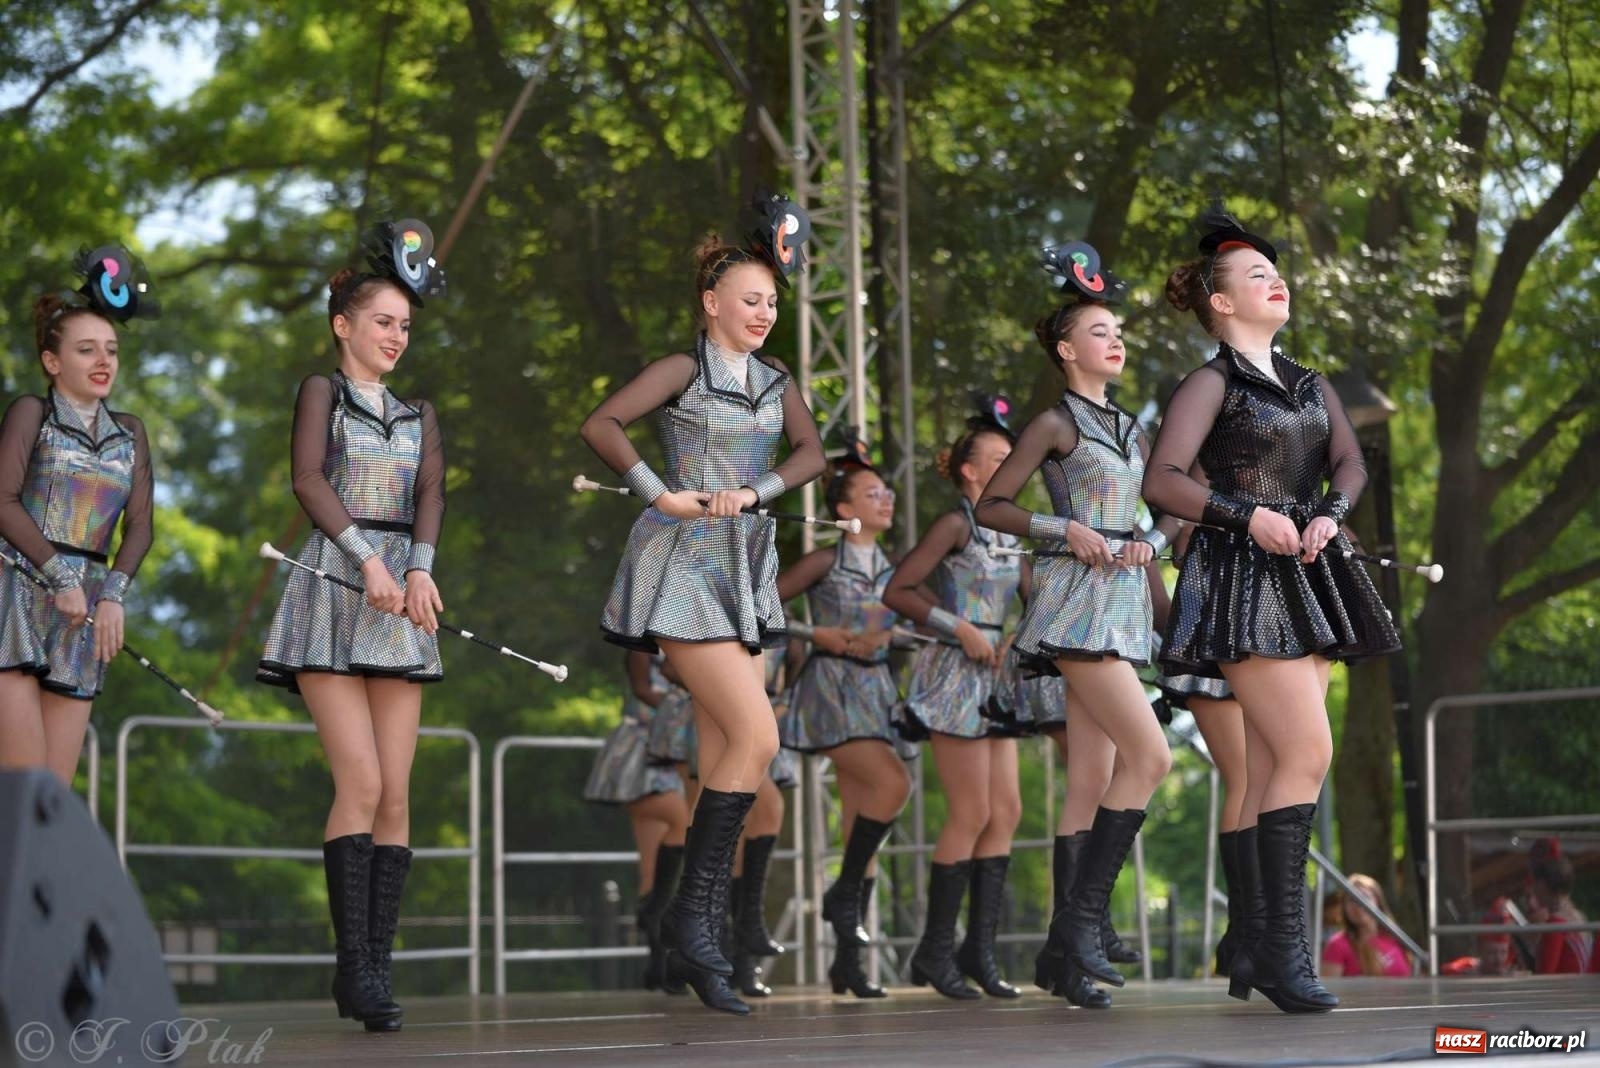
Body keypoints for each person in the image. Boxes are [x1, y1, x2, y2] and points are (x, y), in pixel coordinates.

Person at [1145, 203, 1401, 1013]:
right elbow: (1165, 480)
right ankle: (1288, 949)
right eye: (1256, 274)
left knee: (1268, 766)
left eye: (1275, 270)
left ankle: (1257, 944)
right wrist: (1243, 513)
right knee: (1305, 753)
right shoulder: (1210, 382)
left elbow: (1352, 460)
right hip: (1241, 578)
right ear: (1220, 303)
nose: (1275, 280)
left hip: (1311, 571)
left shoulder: (1311, 381)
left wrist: (1332, 510)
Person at [580, 192, 824, 1015]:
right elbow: (603, 423)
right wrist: (662, 493)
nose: (763, 314)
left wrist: (756, 492)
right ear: (711, 303)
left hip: (745, 567)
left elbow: (812, 453)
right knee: (757, 735)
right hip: (682, 562)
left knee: (735, 747)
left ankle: (696, 925)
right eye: (750, 300)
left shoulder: (777, 378)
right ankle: (695, 921)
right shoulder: (683, 370)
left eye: (773, 304)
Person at [257, 219, 449, 1032]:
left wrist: (418, 568)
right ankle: (351, 967)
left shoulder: (419, 412)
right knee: (361, 784)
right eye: (383, 322)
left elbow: (431, 495)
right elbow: (308, 478)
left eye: (405, 325)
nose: (396, 336)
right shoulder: (321, 392)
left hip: (401, 595)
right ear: (344, 325)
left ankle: (376, 967)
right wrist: (367, 559)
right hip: (333, 587)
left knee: (399, 795)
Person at [977, 242, 1177, 1009]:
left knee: (1093, 778)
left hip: (1124, 608)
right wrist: (1067, 531)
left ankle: (1064, 956)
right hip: (1074, 607)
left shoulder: (1133, 427)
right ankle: (1082, 925)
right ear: (1067, 349)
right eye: (1100, 331)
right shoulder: (1055, 424)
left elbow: (1162, 512)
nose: (1116, 340)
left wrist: (1148, 543)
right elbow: (990, 505)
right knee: (1151, 755)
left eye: (1118, 330)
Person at [886, 395, 1027, 1000]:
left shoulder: (1011, 529)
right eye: (998, 458)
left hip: (997, 674)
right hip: (954, 670)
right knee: (970, 812)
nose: (1008, 466)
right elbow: (900, 589)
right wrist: (959, 626)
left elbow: (1035, 595)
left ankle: (979, 949)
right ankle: (934, 951)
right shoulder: (955, 523)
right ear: (969, 470)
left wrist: (1023, 631)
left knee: (1007, 812)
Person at [0, 245, 157, 784]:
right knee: (23, 784)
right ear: (52, 361)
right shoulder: (31, 413)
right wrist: (59, 575)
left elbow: (140, 526)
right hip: (14, 598)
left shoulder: (131, 432)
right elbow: (2, 501)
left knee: (52, 798)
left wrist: (112, 593)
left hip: (84, 611)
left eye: (111, 350)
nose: (103, 362)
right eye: (87, 350)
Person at [776, 433, 909, 999]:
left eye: (888, 492)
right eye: (872, 493)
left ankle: (848, 964)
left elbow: (898, 622)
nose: (886, 500)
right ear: (844, 508)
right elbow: (766, 603)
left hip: (876, 688)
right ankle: (844, 891)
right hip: (830, 687)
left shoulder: (896, 569)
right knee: (892, 783)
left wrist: (899, 633)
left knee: (863, 823)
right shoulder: (823, 561)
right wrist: (815, 631)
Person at [581, 651, 689, 991]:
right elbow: (642, 689)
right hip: (641, 749)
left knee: (652, 869)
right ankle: (657, 914)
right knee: (681, 821)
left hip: (668, 750)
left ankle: (658, 963)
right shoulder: (644, 639)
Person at [1320, 874, 1412, 977]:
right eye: (1352, 900)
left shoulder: (1395, 938)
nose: (1359, 904)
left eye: (1365, 897)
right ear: (1344, 907)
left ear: (1377, 901)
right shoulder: (1338, 945)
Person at [1527, 839, 1593, 974]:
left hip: (1568, 993)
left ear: (1543, 885)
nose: (1532, 889)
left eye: (1534, 883)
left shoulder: (1556, 924)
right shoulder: (1579, 916)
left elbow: (1544, 977)